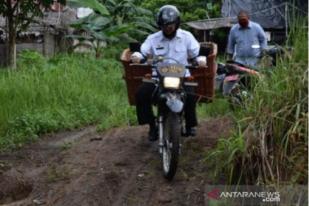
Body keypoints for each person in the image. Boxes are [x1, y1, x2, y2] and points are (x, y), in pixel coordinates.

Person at [132, 5, 204, 141]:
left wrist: (199, 59)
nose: (169, 27)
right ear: (160, 25)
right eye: (165, 25)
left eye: (171, 24)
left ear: (177, 23)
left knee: (190, 93)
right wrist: (138, 56)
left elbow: (196, 53)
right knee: (141, 94)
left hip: (182, 76)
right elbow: (143, 51)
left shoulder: (186, 37)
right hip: (157, 77)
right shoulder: (153, 38)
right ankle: (152, 125)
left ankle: (190, 125)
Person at [223, 10, 267, 95]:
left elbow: (263, 39)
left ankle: (254, 95)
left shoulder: (256, 27)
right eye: (240, 21)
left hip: (254, 60)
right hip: (240, 60)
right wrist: (229, 59)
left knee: (254, 79)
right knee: (237, 80)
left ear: (248, 19)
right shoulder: (234, 29)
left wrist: (263, 52)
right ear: (238, 21)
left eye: (244, 21)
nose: (243, 23)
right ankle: (237, 96)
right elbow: (231, 44)